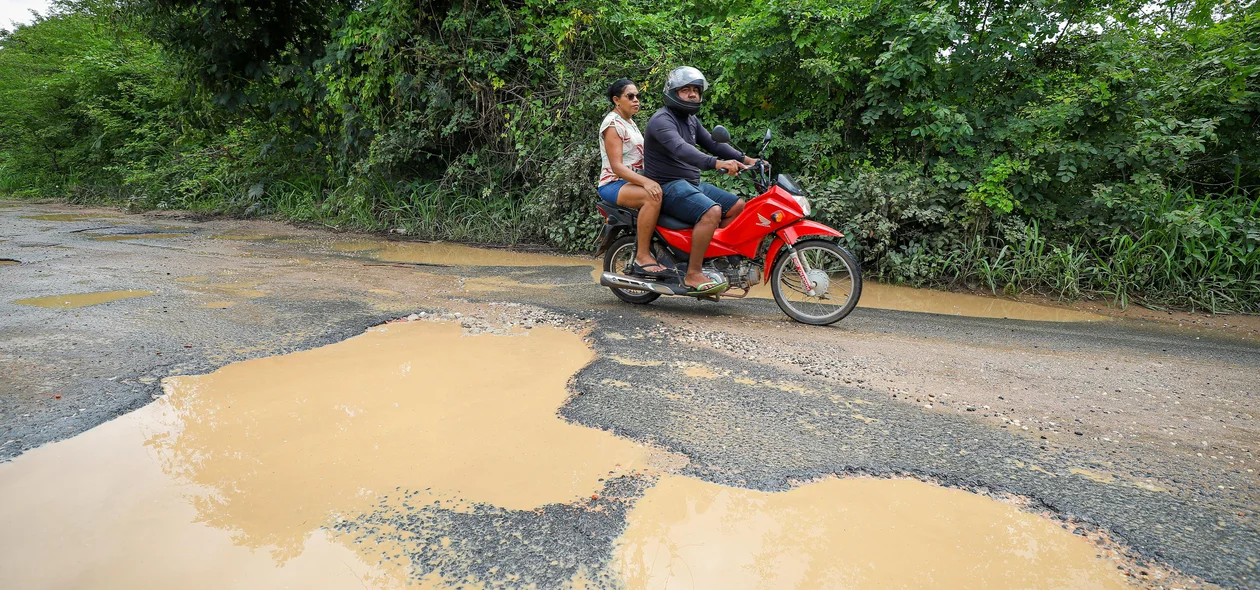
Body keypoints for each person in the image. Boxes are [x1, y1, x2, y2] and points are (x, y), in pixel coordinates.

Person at [643, 66, 762, 294]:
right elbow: (681, 150)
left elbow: (713, 143)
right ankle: (693, 273)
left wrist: (747, 159)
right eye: (685, 90)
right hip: (667, 187)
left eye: (696, 90)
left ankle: (715, 259)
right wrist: (717, 163)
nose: (692, 95)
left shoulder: (690, 120)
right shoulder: (661, 120)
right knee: (712, 211)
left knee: (738, 206)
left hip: (690, 184)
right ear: (672, 92)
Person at [598, 78, 669, 277]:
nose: (636, 100)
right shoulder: (612, 124)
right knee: (652, 197)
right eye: (630, 96)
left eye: (637, 96)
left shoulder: (629, 121)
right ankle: (642, 255)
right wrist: (647, 181)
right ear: (616, 100)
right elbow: (617, 167)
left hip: (632, 181)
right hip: (614, 183)